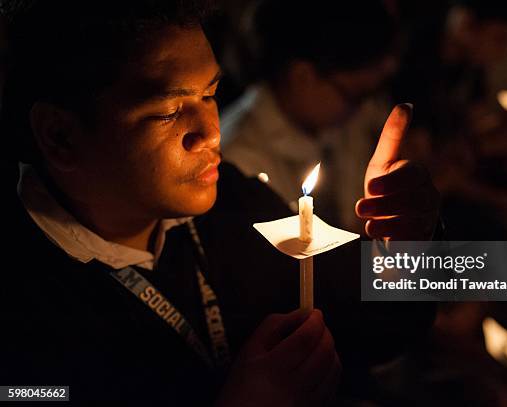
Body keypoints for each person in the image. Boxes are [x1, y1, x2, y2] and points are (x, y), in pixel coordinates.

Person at [0, 0, 439, 405]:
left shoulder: (233, 204)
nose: (212, 132)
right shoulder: (24, 311)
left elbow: (376, 319)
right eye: (168, 111)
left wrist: (410, 248)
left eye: (209, 94)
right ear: (61, 136)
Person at [221, 0, 399, 231]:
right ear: (302, 76)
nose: (366, 109)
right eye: (357, 96)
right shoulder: (239, 159)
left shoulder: (332, 118)